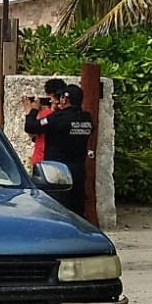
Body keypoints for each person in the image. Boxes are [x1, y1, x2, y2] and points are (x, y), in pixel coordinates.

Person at [23, 84, 95, 217]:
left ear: (64, 99)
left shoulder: (59, 118)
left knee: (55, 210)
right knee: (76, 209)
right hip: (78, 171)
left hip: (57, 172)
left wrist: (32, 110)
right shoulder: (87, 118)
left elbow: (31, 127)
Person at [28, 78, 68, 167]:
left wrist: (30, 110)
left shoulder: (46, 114)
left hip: (42, 160)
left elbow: (31, 130)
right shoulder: (66, 114)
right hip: (59, 161)